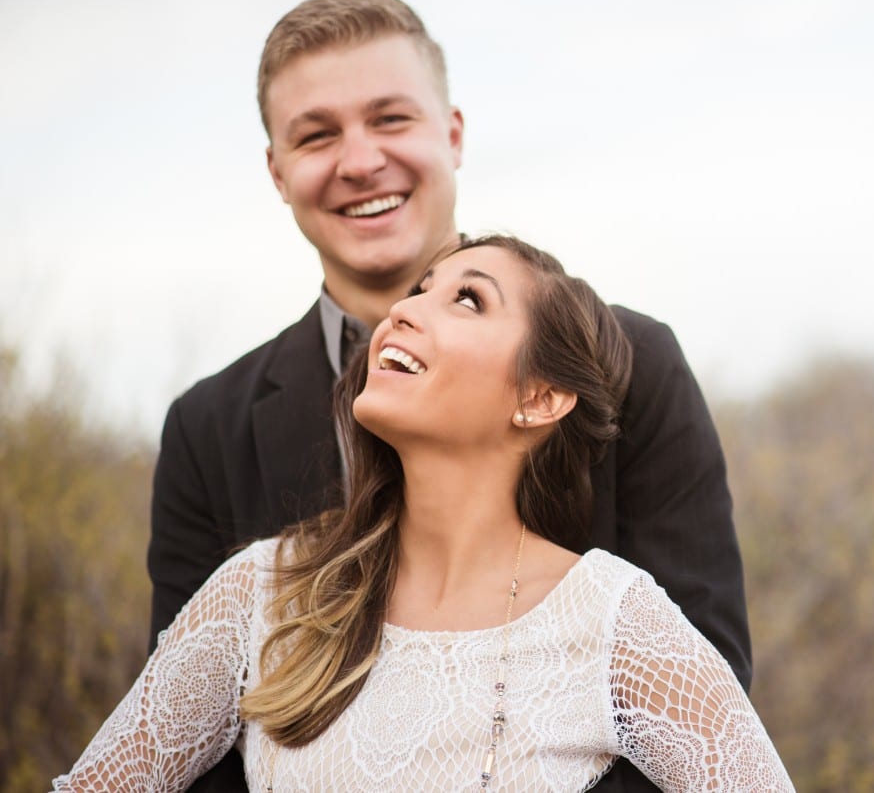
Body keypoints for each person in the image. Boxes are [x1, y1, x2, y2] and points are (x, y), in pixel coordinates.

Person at [147, 0, 750, 792]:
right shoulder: (204, 430)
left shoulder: (633, 360)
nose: (360, 161)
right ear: (278, 171)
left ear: (453, 134)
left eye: (390, 119)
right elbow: (192, 743)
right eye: (317, 134)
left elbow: (702, 697)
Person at [56, 236, 793, 791]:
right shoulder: (263, 591)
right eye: (418, 291)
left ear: (539, 397)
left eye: (467, 299)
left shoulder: (615, 623)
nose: (403, 309)